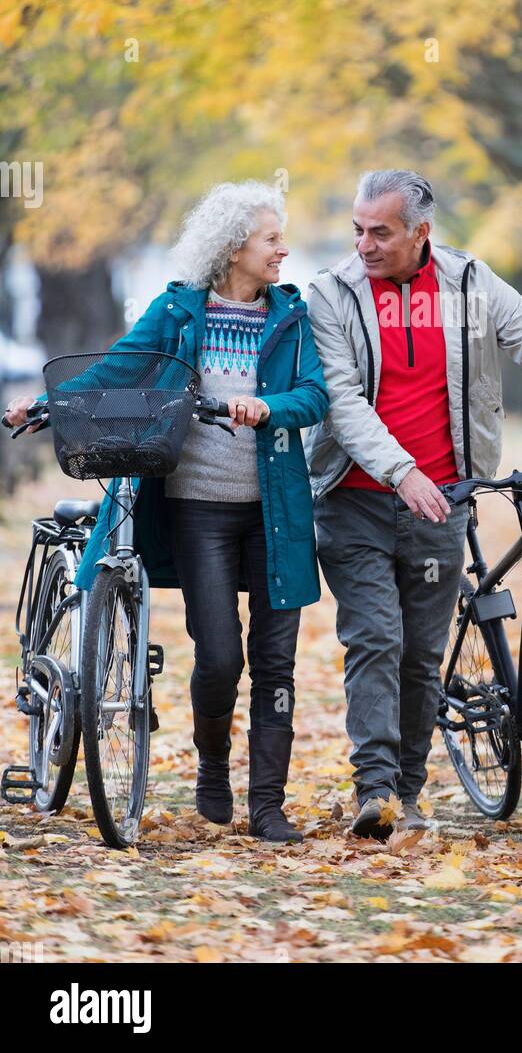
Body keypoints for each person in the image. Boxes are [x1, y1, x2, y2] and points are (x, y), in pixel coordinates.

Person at [304, 168, 522, 840]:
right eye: (358, 230)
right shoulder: (331, 296)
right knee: (375, 638)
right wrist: (400, 472)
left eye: (381, 233)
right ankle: (375, 789)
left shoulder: (471, 286)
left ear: (422, 232)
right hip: (355, 499)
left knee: (422, 653)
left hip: (443, 500)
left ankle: (409, 792)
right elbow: (341, 402)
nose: (364, 245)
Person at [5, 180, 328, 844]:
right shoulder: (180, 310)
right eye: (271, 239)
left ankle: (268, 805)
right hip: (196, 508)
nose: (282, 251)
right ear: (234, 246)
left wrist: (270, 408)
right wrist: (50, 406)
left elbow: (315, 395)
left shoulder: (292, 315)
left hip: (277, 513)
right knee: (218, 658)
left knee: (276, 663)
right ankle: (212, 762)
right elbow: (121, 369)